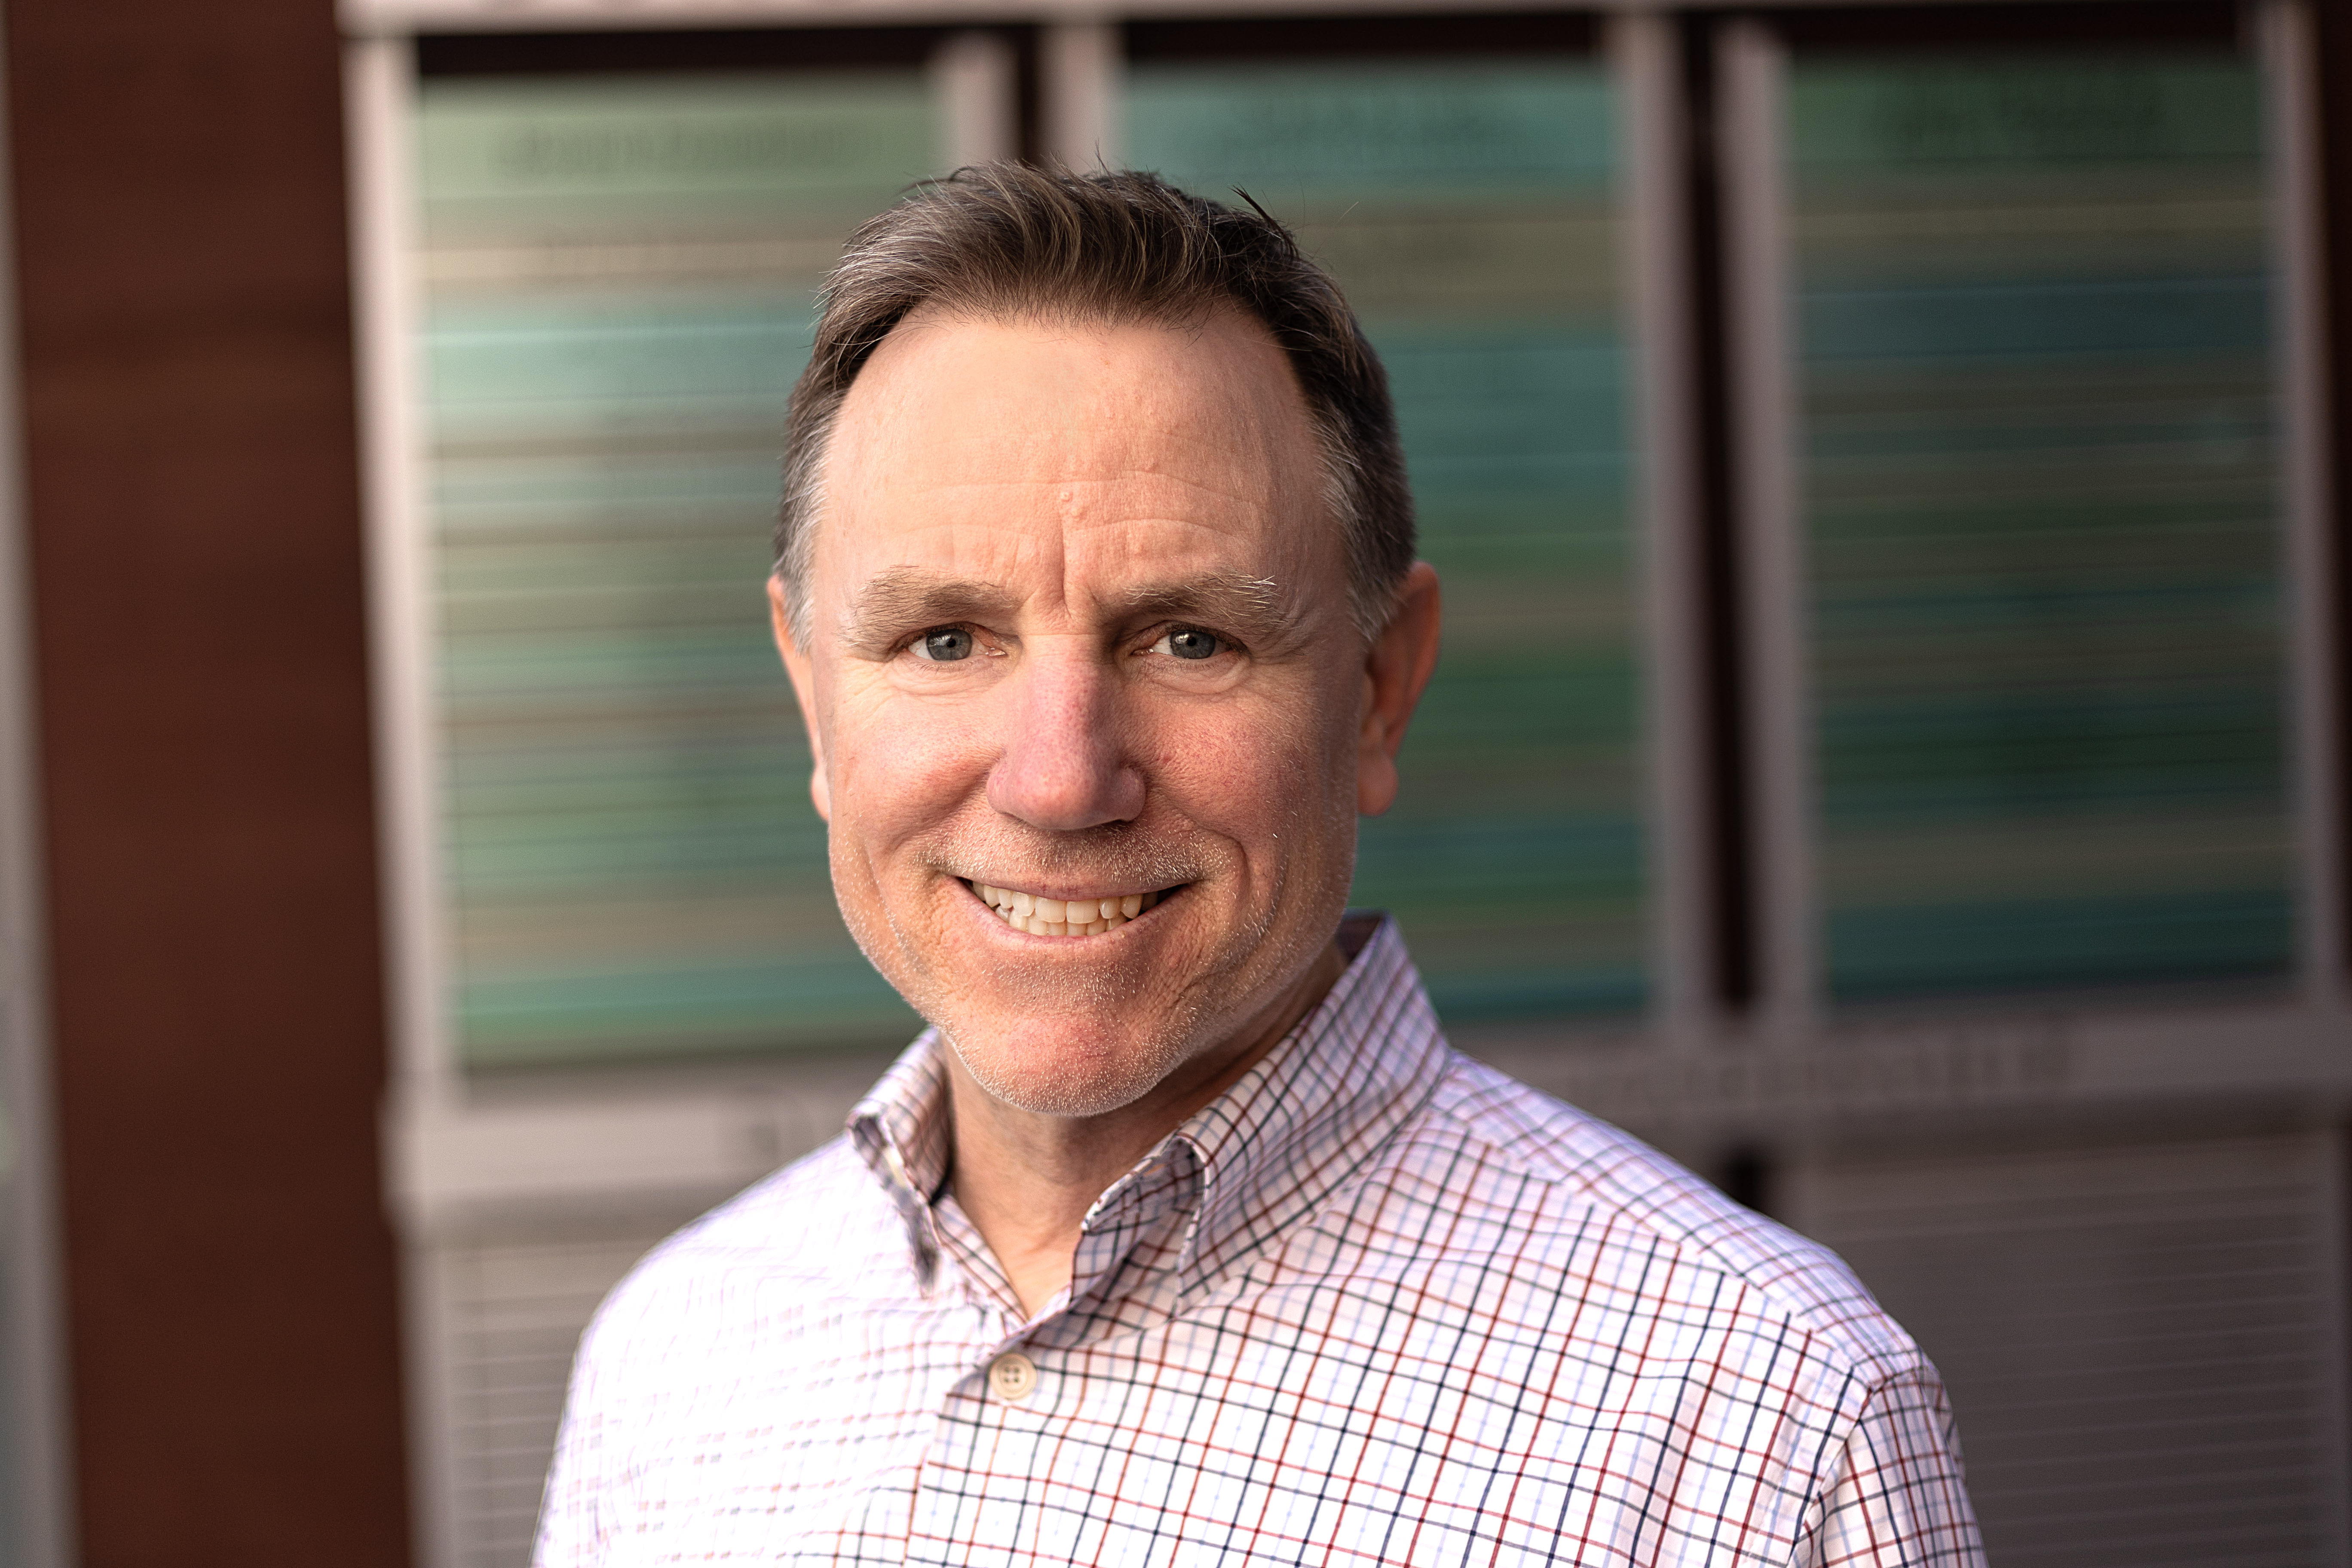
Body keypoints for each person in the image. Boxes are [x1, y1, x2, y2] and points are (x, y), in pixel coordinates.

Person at [533, 165, 1983, 1567]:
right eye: (945, 640)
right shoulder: (675, 1357)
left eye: (1189, 639)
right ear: (813, 701)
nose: (1060, 780)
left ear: (1378, 692)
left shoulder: (1767, 1422)